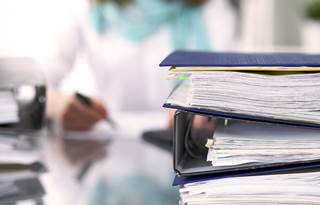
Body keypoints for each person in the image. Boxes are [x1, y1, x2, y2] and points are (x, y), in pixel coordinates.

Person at [43, 0, 236, 204]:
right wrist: (55, 104)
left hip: (189, 162)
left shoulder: (212, 10)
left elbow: (231, 85)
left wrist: (209, 101)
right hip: (110, 160)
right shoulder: (87, 10)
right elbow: (31, 82)